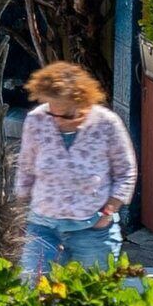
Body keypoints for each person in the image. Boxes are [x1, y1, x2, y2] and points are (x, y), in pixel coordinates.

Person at [15, 61, 136, 282]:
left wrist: (107, 213)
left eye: (68, 115)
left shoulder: (107, 123)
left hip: (92, 229)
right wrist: (20, 214)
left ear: (84, 102)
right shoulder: (37, 120)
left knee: (95, 298)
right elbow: (25, 169)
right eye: (54, 113)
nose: (59, 121)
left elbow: (126, 172)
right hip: (43, 226)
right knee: (32, 291)